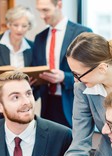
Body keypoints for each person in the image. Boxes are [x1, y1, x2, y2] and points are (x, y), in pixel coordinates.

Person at [31, 0, 92, 128]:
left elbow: (91, 71)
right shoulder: (39, 38)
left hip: (73, 102)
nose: (42, 16)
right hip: (47, 104)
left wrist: (64, 77)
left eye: (45, 10)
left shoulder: (82, 33)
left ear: (59, 5)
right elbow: (35, 68)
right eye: (39, 11)